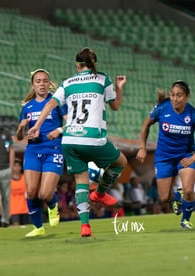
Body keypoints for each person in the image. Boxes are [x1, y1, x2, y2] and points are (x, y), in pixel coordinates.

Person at [27, 48, 127, 237]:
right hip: (92, 137)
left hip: (70, 140)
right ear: (94, 64)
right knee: (121, 162)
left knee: (81, 181)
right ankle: (100, 193)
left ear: (77, 65)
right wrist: (119, 87)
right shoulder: (102, 79)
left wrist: (37, 126)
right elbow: (115, 106)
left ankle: (85, 226)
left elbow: (50, 104)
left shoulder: (67, 83)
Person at [136, 80, 195, 229]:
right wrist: (142, 147)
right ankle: (176, 197)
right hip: (164, 158)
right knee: (164, 198)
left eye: (179, 95)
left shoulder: (193, 114)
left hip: (185, 156)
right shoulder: (162, 108)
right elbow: (146, 125)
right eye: (172, 95)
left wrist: (193, 158)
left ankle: (186, 220)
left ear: (187, 97)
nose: (175, 99)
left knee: (189, 191)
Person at [16, 68, 65, 237]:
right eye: (38, 81)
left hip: (53, 149)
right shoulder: (27, 107)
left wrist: (59, 130)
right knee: (31, 192)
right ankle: (38, 228)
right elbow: (19, 136)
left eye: (45, 81)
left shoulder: (56, 102)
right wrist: (22, 127)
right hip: (32, 150)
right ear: (33, 85)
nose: (42, 84)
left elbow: (71, 124)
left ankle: (53, 206)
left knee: (45, 194)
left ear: (49, 84)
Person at [9, 158, 30, 226]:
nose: (17, 168)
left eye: (18, 165)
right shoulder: (8, 179)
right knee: (16, 225)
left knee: (26, 227)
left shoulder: (26, 177)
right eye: (15, 165)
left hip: (25, 207)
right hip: (13, 208)